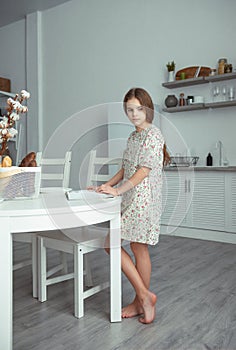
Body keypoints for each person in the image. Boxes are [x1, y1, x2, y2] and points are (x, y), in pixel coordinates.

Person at [95, 87, 169, 324]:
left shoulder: (154, 135)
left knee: (134, 247)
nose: (134, 114)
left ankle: (143, 299)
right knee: (128, 247)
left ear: (148, 108)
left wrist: (117, 190)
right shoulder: (133, 136)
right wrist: (105, 185)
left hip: (144, 199)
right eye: (130, 110)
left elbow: (143, 171)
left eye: (139, 109)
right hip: (131, 197)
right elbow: (126, 168)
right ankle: (143, 298)